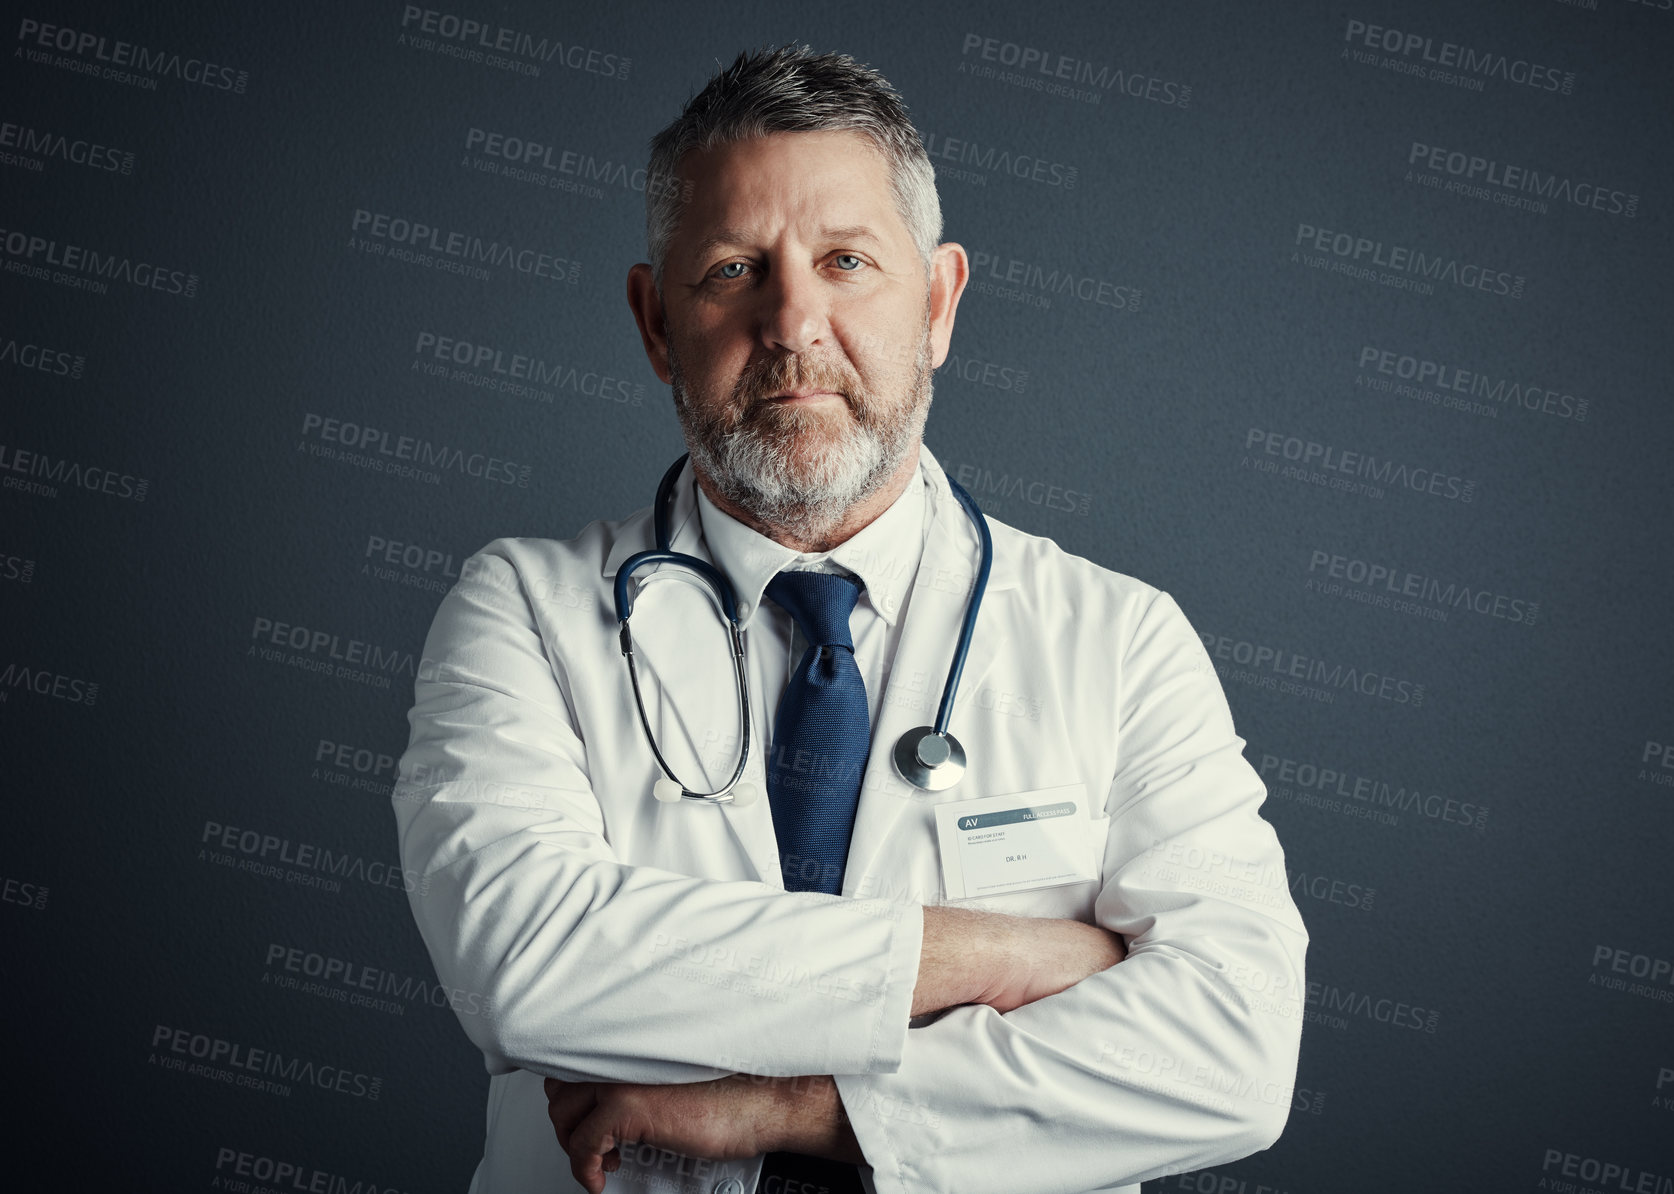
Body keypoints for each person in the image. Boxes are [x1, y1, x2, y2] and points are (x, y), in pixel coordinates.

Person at [391, 44, 1308, 1194]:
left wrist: (795, 1109)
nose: (793, 321)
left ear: (937, 303)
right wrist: (1008, 955)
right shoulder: (523, 610)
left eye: (845, 261)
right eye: (733, 270)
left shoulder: (1119, 641)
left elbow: (1233, 1053)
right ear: (654, 320)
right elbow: (525, 968)